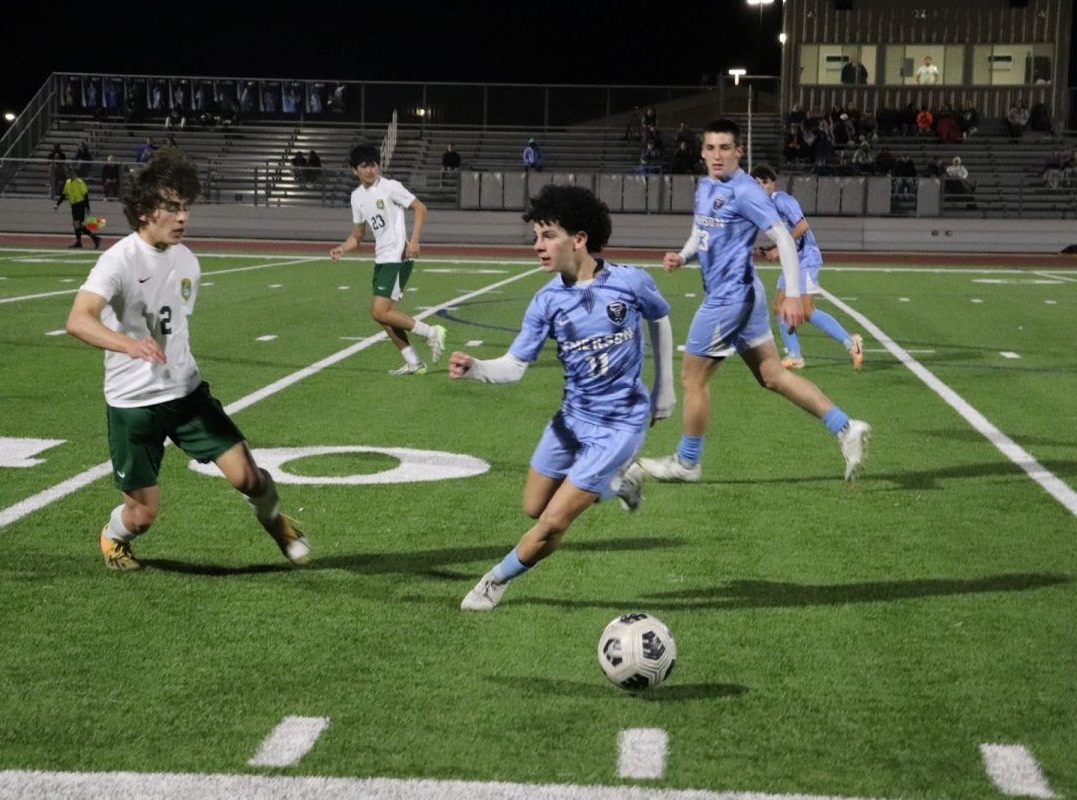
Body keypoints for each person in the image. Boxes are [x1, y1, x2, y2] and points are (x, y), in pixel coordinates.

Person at [64, 148, 309, 572]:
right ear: (143, 211)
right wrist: (129, 345)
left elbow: (174, 326)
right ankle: (114, 536)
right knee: (142, 516)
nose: (182, 218)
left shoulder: (187, 261)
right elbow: (78, 320)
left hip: (185, 393)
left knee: (249, 478)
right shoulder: (118, 260)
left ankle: (276, 522)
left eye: (186, 208)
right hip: (132, 403)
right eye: (171, 208)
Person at [454, 185, 675, 612]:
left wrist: (665, 388)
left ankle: (493, 581)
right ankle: (621, 483)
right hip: (570, 421)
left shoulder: (630, 282)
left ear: (579, 238)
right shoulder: (546, 300)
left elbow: (660, 317)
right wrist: (477, 367)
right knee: (535, 508)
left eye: (547, 235)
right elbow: (515, 366)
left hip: (620, 425)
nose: (538, 246)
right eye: (536, 236)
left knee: (555, 521)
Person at [634, 119, 870, 486]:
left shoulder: (746, 191)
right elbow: (702, 233)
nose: (716, 155)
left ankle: (687, 461)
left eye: (724, 148)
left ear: (738, 151)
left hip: (730, 298)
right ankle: (846, 427)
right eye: (710, 148)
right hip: (745, 296)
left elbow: (784, 238)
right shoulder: (706, 186)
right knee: (773, 376)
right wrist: (683, 256)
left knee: (691, 378)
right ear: (701, 151)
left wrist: (793, 294)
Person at [329, 144, 445, 375]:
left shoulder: (391, 187)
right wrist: (342, 248)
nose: (370, 170)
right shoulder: (356, 197)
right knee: (385, 317)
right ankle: (413, 362)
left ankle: (432, 332)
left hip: (398, 255)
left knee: (379, 311)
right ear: (355, 171)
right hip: (382, 258)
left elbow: (420, 208)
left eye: (373, 164)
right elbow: (358, 235)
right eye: (364, 166)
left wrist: (414, 241)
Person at [749, 164, 864, 371]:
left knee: (808, 311)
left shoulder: (783, 200)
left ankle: (850, 342)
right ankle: (794, 356)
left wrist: (780, 247)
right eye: (756, 184)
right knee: (779, 306)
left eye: (763, 183)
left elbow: (802, 226)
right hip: (793, 260)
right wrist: (773, 247)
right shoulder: (762, 208)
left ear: (771, 184)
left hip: (806, 258)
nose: (760, 188)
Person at [55, 165, 103, 249]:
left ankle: (81, 241)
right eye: (70, 173)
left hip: (80, 204)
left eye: (73, 173)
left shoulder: (80, 182)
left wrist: (88, 207)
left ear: (76, 174)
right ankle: (93, 238)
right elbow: (63, 195)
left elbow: (85, 195)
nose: (71, 175)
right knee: (77, 224)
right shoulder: (68, 182)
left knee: (77, 223)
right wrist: (57, 204)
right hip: (73, 205)